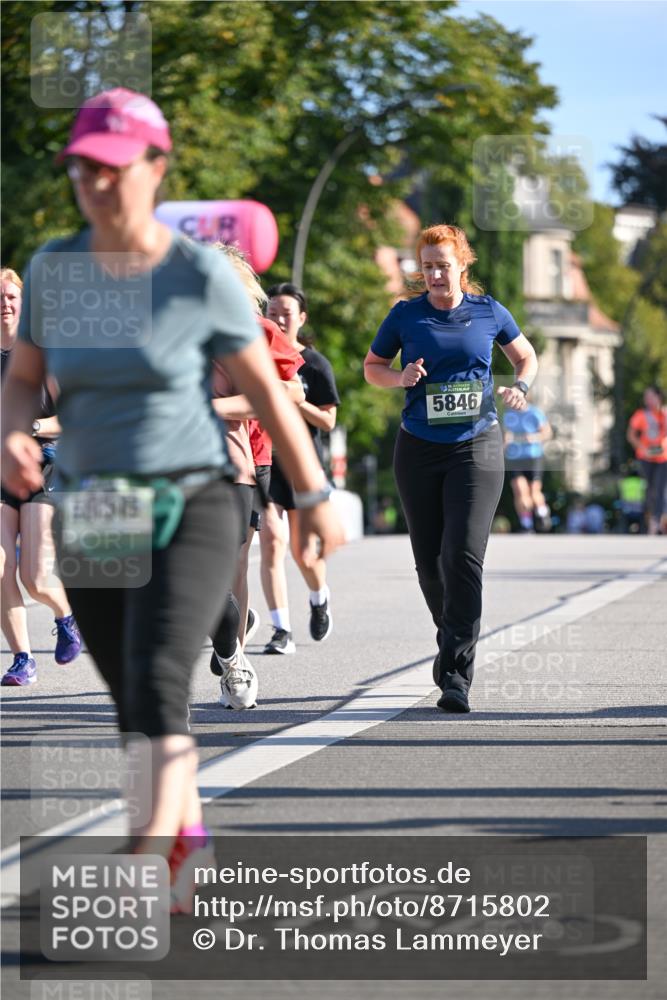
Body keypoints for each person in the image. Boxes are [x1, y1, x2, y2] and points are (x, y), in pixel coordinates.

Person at [0, 89, 344, 908]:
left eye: (114, 167)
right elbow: (22, 377)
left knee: (157, 676)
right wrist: (13, 430)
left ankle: (148, 853)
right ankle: (183, 830)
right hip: (96, 501)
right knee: (131, 691)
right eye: (84, 168)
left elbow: (267, 392)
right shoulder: (55, 269)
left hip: (195, 497)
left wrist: (313, 494)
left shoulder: (198, 274)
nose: (97, 183)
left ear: (156, 168)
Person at [364, 223, 537, 714]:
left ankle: (457, 675)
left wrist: (520, 387)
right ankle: (451, 635)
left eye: (443, 265)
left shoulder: (489, 312)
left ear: (462, 265)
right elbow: (372, 368)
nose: (435, 274)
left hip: (476, 446)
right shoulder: (405, 315)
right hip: (418, 447)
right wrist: (400, 377)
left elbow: (525, 357)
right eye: (428, 267)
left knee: (462, 554)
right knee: (430, 563)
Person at [207, 244, 305, 708]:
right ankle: (230, 632)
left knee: (233, 564)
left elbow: (290, 392)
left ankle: (234, 655)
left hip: (247, 458)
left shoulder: (256, 331)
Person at [1, 267, 81, 686]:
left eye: (11, 297)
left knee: (34, 578)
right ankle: (22, 659)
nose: (4, 304)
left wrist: (28, 428)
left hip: (43, 466)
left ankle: (65, 615)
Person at [259, 283, 341, 654]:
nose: (278, 320)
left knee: (303, 552)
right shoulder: (255, 357)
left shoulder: (315, 364)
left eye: (286, 314)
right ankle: (281, 630)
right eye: (272, 312)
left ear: (301, 318)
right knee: (272, 541)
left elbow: (328, 421)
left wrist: (295, 400)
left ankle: (319, 596)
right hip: (265, 461)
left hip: (302, 464)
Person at [502, 401, 552, 532]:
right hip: (514, 457)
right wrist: (504, 442)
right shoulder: (508, 415)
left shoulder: (534, 413)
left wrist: (535, 437)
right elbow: (504, 435)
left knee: (534, 492)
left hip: (532, 456)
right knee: (520, 490)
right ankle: (526, 523)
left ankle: (542, 512)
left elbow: (547, 433)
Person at [627, 385, 667, 534]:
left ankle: (658, 519)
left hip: (663, 457)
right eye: (646, 397)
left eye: (651, 396)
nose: (648, 400)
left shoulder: (664, 414)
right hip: (646, 457)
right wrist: (642, 448)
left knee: (660, 488)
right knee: (650, 489)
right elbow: (631, 435)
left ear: (658, 397)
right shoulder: (641, 415)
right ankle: (650, 520)